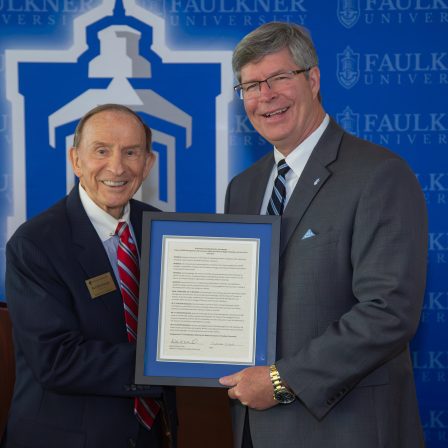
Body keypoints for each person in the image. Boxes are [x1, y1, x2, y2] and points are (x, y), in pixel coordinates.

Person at [219, 22, 428, 448]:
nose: (266, 96)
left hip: (344, 429)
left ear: (313, 80)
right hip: (254, 431)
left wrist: (281, 381)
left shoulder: (379, 175)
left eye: (279, 78)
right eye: (252, 86)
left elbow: (388, 311)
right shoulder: (242, 188)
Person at [2, 104, 176, 448]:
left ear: (148, 163)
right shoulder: (35, 244)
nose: (117, 166)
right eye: (101, 151)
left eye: (131, 152)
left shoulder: (167, 233)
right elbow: (57, 360)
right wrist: (172, 363)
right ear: (76, 160)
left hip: (150, 436)